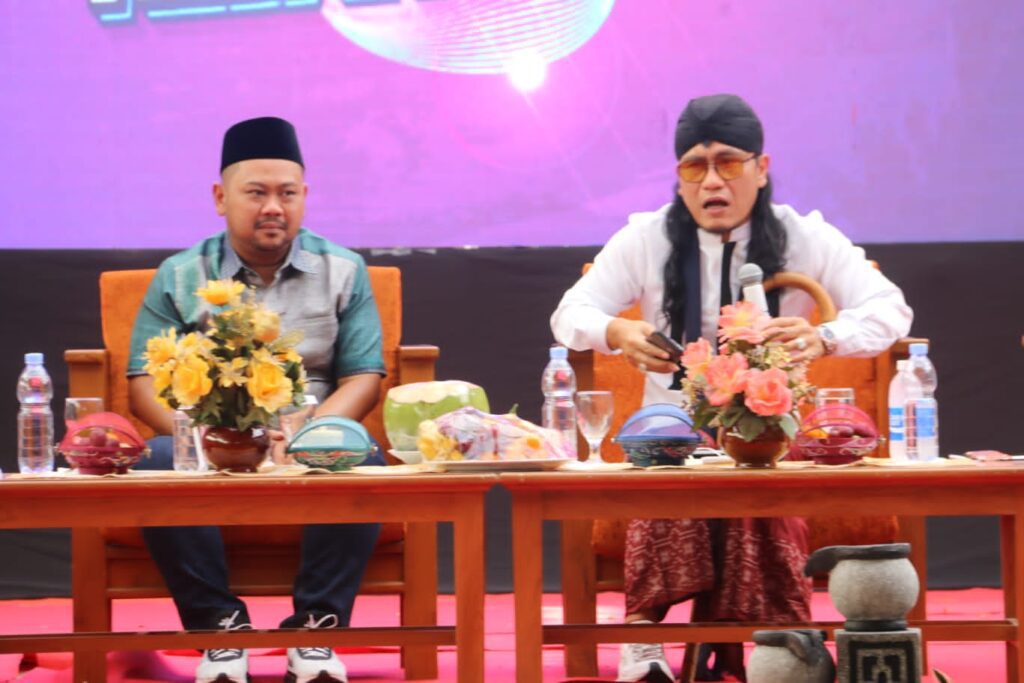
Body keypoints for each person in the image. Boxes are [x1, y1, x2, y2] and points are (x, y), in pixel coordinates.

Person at [550, 94, 913, 682]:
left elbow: (890, 310)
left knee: (751, 480)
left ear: (761, 169)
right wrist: (615, 330)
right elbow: (570, 314)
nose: (712, 182)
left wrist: (826, 336)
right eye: (695, 167)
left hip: (768, 435)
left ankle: (773, 643)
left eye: (729, 163)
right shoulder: (646, 238)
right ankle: (647, 639)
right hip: (673, 434)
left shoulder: (804, 236)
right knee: (674, 468)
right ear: (679, 177)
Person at [127, 116, 386, 683]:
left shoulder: (344, 270)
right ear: (221, 198)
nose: (273, 207)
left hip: (307, 431)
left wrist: (309, 432)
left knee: (361, 454)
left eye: (287, 194)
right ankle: (219, 628)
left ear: (304, 197)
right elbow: (143, 381)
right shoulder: (180, 274)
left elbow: (364, 376)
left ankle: (315, 628)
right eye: (256, 193)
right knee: (153, 460)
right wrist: (202, 437)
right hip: (208, 437)